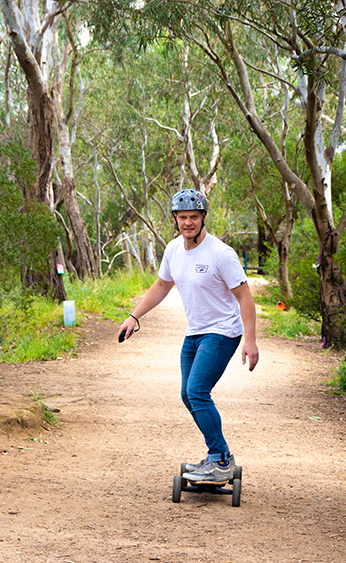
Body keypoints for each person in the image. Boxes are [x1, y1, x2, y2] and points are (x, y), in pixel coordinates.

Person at [118, 188, 259, 483]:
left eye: (194, 217)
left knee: (197, 391)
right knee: (187, 394)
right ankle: (220, 455)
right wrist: (134, 317)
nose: (188, 223)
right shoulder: (172, 250)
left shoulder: (221, 253)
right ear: (175, 218)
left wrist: (250, 339)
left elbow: (245, 296)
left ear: (203, 217)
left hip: (222, 332)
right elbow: (161, 285)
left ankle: (219, 460)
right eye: (182, 217)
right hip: (194, 332)